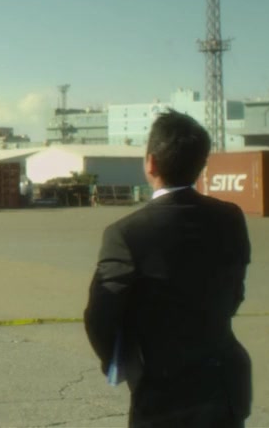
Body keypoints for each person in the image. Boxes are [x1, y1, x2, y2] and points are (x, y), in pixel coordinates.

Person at [83, 110, 252, 428]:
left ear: (151, 163)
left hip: (163, 394)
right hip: (224, 385)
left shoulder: (126, 233)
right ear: (201, 165)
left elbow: (100, 316)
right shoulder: (230, 218)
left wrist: (121, 362)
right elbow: (234, 294)